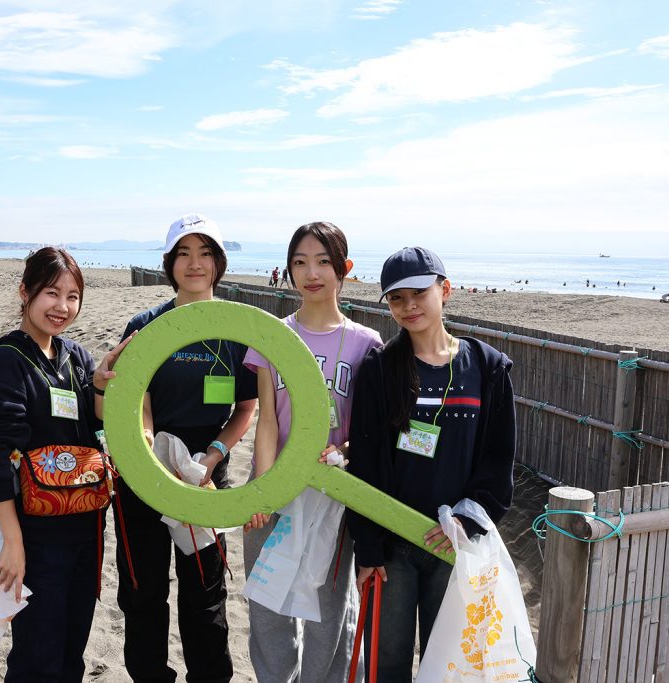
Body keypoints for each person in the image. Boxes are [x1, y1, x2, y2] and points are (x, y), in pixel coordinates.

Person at [346, 246, 516, 682]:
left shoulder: (487, 366)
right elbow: (364, 464)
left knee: (451, 666)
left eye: (419, 293)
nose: (409, 306)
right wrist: (368, 548)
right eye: (396, 298)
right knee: (386, 663)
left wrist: (466, 520)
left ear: (446, 290)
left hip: (455, 545)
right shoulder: (380, 369)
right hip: (393, 547)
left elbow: (499, 459)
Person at [0, 247, 130, 682]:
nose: (62, 307)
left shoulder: (76, 357)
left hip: (86, 527)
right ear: (25, 292)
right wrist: (13, 541)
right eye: (51, 293)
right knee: (37, 656)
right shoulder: (9, 359)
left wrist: (99, 386)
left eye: (73, 296)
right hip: (37, 536)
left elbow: (93, 428)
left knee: (72, 650)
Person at [114, 213, 258, 683]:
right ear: (170, 263)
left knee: (205, 591)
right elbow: (137, 397)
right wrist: (151, 455)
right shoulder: (145, 324)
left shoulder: (236, 329)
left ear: (218, 263)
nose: (194, 263)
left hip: (205, 468)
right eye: (184, 253)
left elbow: (246, 407)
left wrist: (213, 455)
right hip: (145, 463)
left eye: (205, 253)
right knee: (143, 590)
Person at [242, 222, 381, 683]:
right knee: (268, 606)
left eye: (323, 262)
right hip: (274, 484)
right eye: (300, 263)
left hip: (332, 492)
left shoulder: (366, 343)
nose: (312, 273)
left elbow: (366, 429)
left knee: (329, 611)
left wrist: (343, 450)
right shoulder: (273, 335)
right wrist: (263, 490)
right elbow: (267, 419)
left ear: (344, 268)